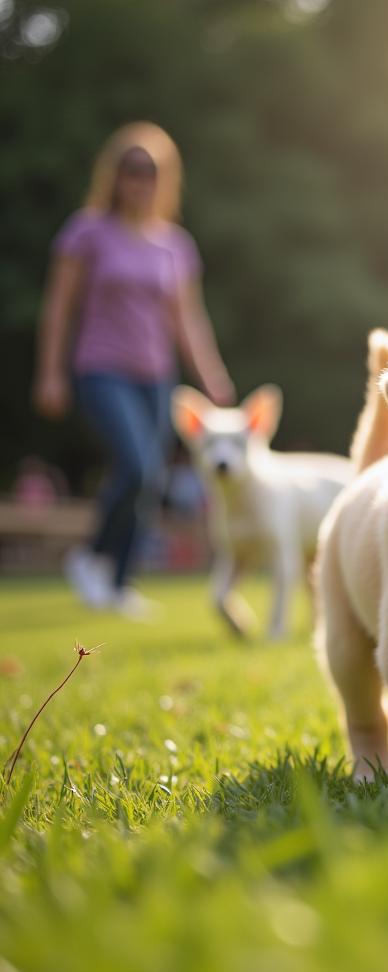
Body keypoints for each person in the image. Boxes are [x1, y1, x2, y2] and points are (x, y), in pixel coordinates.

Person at [33, 122, 235, 617]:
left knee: (151, 481)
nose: (140, 181)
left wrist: (210, 375)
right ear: (115, 175)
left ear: (164, 178)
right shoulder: (87, 231)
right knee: (137, 467)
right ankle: (91, 557)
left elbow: (186, 319)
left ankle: (117, 584)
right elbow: (58, 307)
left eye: (150, 171)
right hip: (101, 368)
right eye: (131, 170)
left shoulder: (174, 244)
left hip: (155, 376)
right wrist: (50, 373)